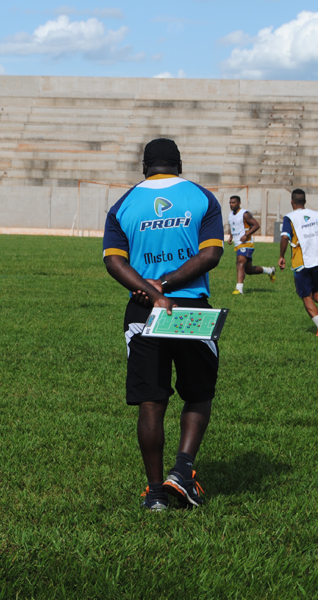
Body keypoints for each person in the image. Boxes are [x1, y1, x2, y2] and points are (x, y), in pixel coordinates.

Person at [103, 138, 224, 511]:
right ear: (179, 165)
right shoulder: (203, 197)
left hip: (142, 312)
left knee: (151, 403)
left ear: (144, 167)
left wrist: (150, 290)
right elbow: (212, 253)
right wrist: (168, 286)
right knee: (197, 394)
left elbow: (113, 262)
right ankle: (182, 471)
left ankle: (155, 493)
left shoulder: (123, 204)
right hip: (189, 310)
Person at [278, 189, 318, 336]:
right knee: (316, 291)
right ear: (305, 202)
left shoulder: (289, 217)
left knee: (306, 296)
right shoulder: (316, 214)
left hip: (302, 262)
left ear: (292, 202)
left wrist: (281, 256)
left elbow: (285, 237)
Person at [226, 195, 275, 294]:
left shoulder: (244, 214)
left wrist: (246, 234)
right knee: (248, 270)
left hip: (246, 243)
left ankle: (239, 289)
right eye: (230, 203)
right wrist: (231, 236)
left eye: (233, 202)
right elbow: (233, 226)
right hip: (237, 244)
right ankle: (269, 270)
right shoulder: (230, 215)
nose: (231, 204)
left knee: (240, 263)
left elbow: (256, 225)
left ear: (239, 203)